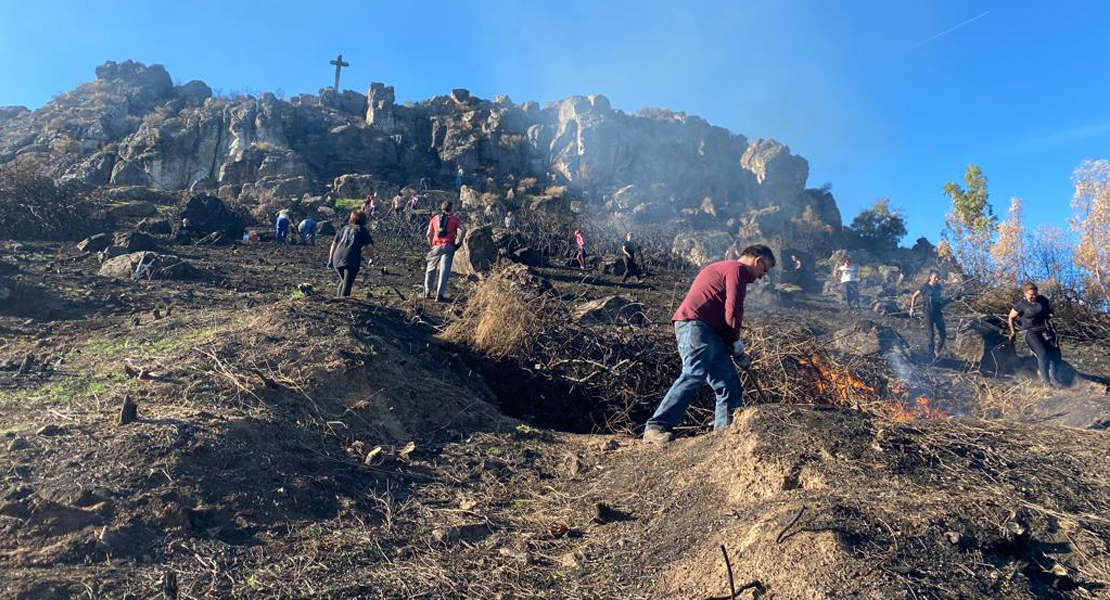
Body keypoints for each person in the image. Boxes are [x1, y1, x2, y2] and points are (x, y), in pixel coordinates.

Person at [643, 244, 776, 443]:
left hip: (713, 333)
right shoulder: (736, 269)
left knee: (728, 384)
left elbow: (725, 314)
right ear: (758, 261)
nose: (761, 277)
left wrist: (731, 344)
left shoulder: (726, 269)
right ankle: (656, 427)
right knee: (694, 373)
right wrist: (736, 344)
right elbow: (733, 309)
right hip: (695, 326)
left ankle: (722, 439)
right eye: (764, 270)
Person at [1008, 282, 1063, 386]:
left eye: (1035, 294)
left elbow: (1049, 311)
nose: (1034, 296)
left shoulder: (1043, 300)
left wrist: (1050, 314)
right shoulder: (1021, 305)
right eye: (1031, 295)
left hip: (1045, 329)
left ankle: (1054, 377)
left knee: (1056, 355)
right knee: (1043, 354)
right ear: (1025, 294)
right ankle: (1046, 383)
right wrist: (1013, 331)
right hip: (1031, 332)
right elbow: (1011, 317)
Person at [327, 210, 376, 298]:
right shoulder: (362, 230)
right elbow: (369, 247)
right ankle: (343, 303)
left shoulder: (344, 228)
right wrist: (372, 258)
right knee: (347, 284)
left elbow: (334, 244)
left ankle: (338, 300)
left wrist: (330, 259)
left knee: (344, 281)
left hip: (337, 258)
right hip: (351, 259)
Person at [424, 201, 465, 301]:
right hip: (449, 246)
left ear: (442, 208)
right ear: (451, 208)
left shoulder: (434, 218)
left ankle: (427, 292)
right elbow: (463, 229)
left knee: (430, 268)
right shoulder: (455, 219)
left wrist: (432, 245)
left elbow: (428, 234)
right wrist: (459, 243)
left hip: (436, 246)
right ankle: (439, 295)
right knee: (444, 271)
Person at [909, 270, 946, 360]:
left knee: (943, 333)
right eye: (935, 277)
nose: (937, 279)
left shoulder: (938, 287)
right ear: (930, 277)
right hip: (928, 313)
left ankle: (937, 351)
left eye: (938, 278)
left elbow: (940, 300)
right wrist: (912, 308)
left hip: (937, 312)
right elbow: (914, 296)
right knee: (931, 334)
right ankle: (931, 354)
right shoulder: (924, 286)